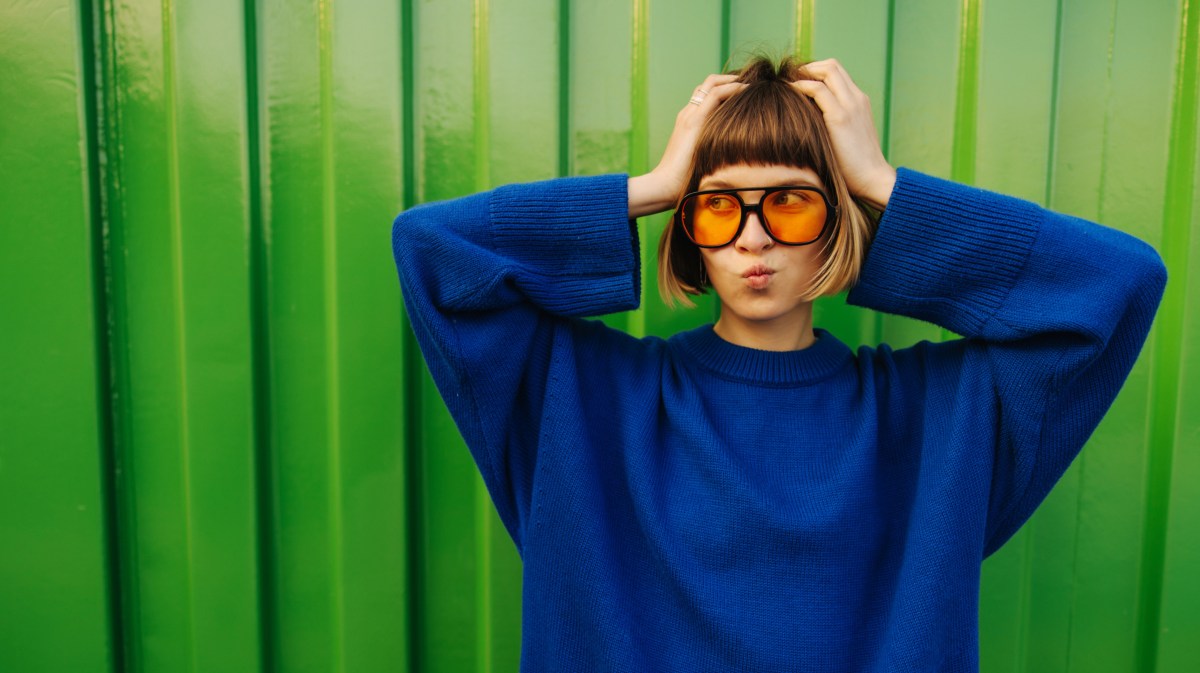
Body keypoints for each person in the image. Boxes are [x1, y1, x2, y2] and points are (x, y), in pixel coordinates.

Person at [392, 56, 1166, 672]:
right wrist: (653, 185)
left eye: (792, 202)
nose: (752, 238)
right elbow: (432, 250)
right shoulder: (579, 399)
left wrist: (885, 187)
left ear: (837, 221)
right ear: (687, 227)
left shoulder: (940, 418)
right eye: (719, 205)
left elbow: (1120, 283)